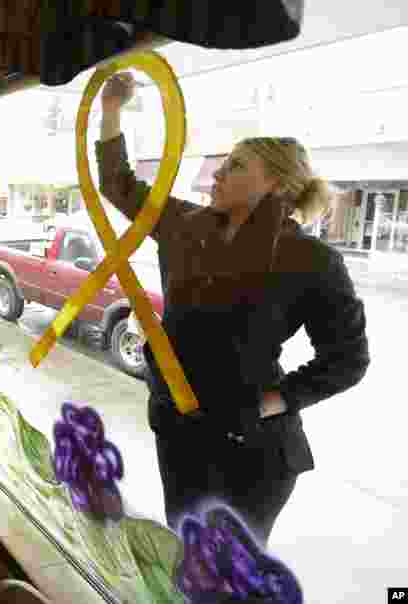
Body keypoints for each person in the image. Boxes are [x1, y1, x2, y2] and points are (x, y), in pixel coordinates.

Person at [96, 72, 369, 546]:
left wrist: (275, 401)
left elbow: (348, 360)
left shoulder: (310, 259)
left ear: (278, 185)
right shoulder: (185, 224)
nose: (218, 174)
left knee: (226, 583)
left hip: (252, 452)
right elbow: (118, 184)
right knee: (186, 560)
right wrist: (112, 109)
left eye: (237, 166)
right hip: (179, 431)